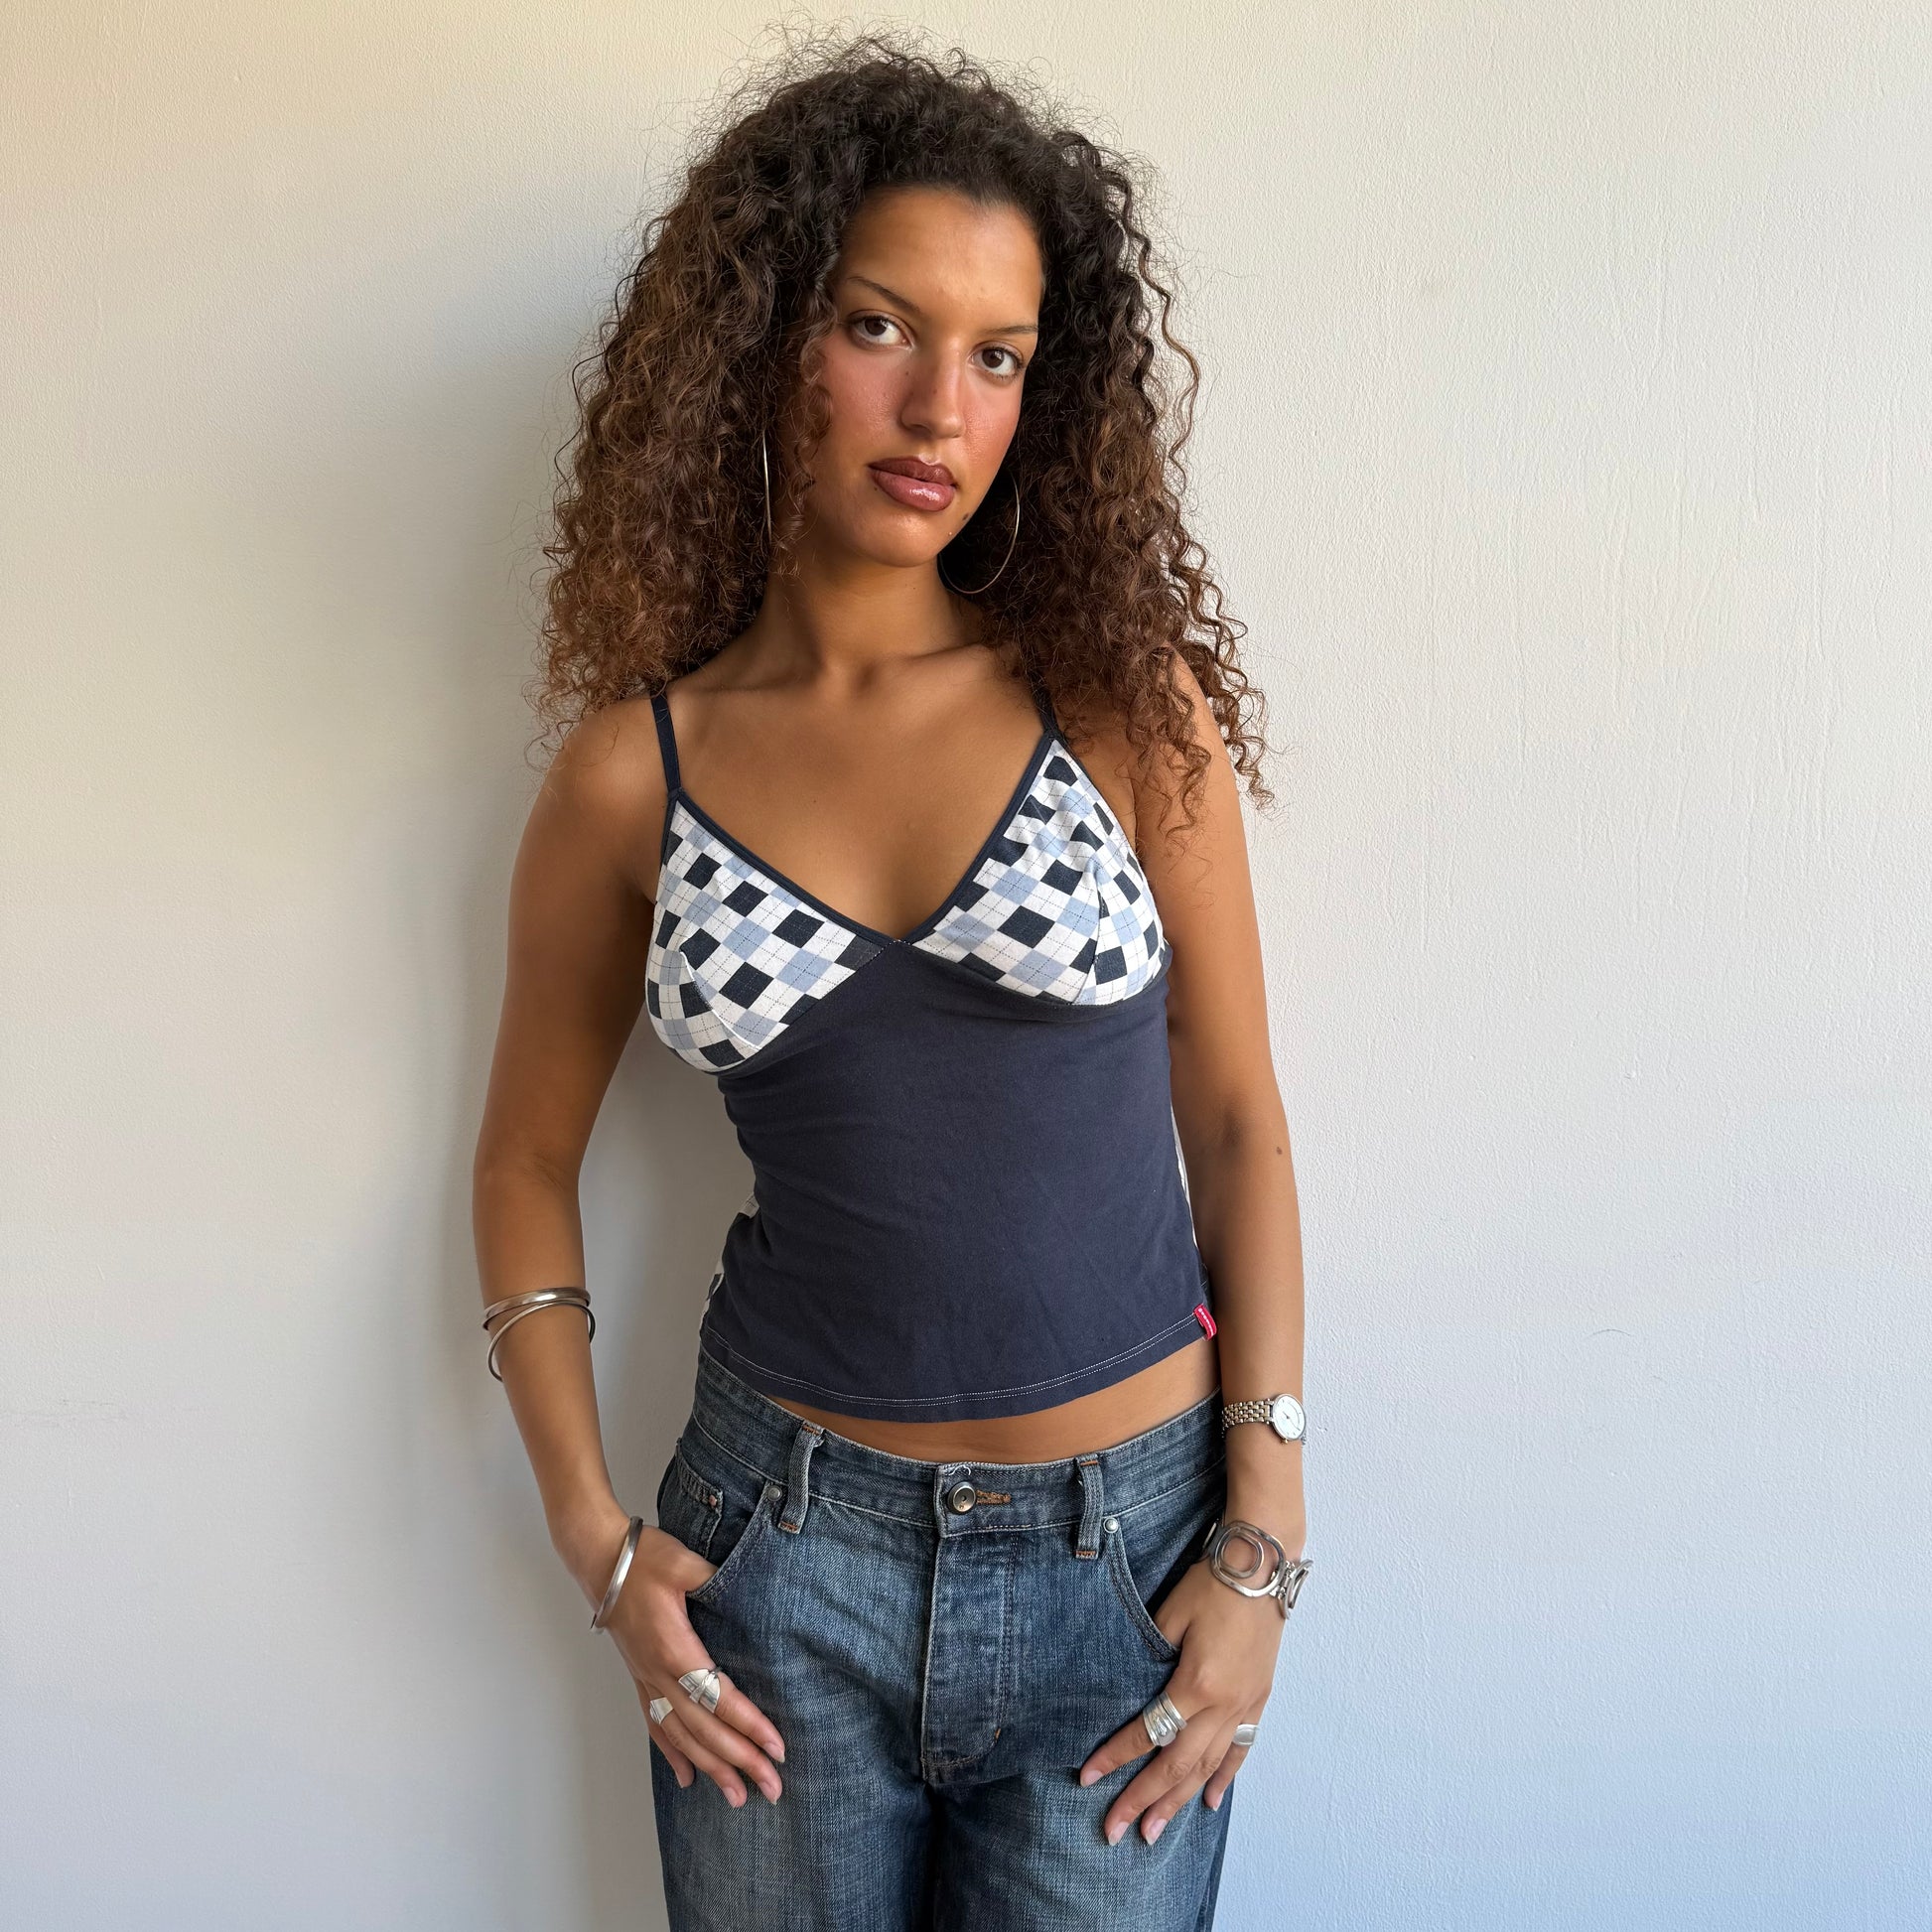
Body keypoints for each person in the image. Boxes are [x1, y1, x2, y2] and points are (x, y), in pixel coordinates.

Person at [472, 33, 1309, 1931]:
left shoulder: (1115, 703)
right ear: (761, 340)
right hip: (780, 1559)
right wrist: (595, 1539)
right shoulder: (634, 772)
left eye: (998, 356)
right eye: (878, 328)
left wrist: (1261, 1537)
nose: (938, 404)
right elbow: (520, 1158)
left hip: (1132, 1555)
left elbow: (1237, 1114)